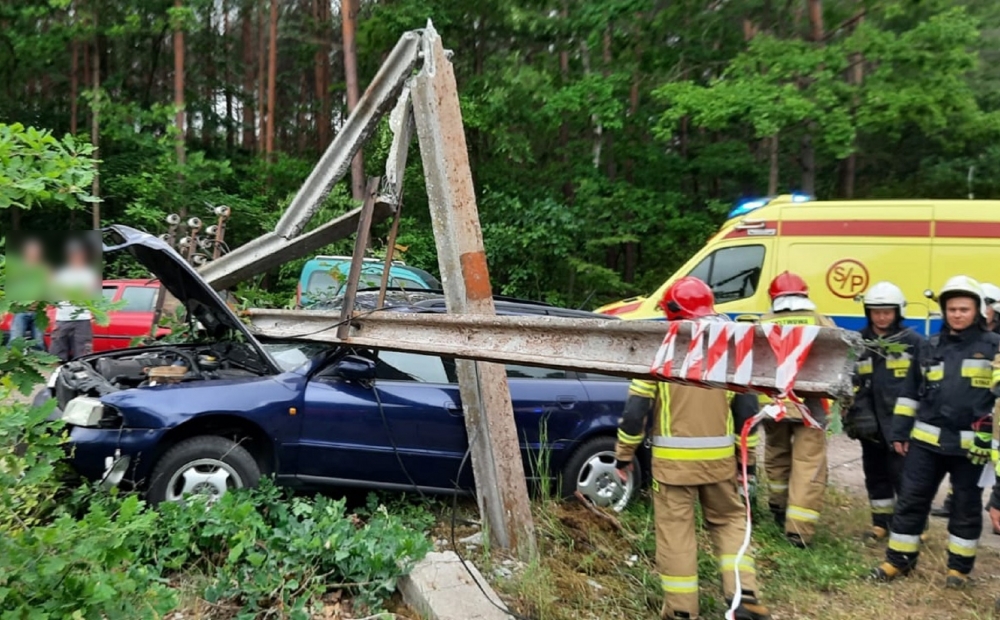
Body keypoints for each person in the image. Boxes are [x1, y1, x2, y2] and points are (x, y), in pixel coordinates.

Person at [614, 276, 769, 620]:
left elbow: (634, 414)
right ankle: (745, 597)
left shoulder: (660, 354)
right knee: (729, 523)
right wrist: (750, 464)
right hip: (720, 466)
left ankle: (683, 610)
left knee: (676, 534)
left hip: (673, 469)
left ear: (672, 313)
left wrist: (624, 456)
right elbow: (747, 414)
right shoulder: (729, 354)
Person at [872, 276, 1000, 587]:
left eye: (964, 309)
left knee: (966, 507)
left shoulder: (995, 347)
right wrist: (900, 433)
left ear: (979, 312)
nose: (957, 314)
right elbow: (909, 393)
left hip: (971, 448)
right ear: (944, 311)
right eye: (952, 309)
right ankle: (898, 561)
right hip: (926, 444)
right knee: (912, 501)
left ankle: (959, 570)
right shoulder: (929, 346)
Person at [843, 282, 926, 543]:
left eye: (887, 312)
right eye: (876, 312)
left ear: (898, 312)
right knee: (876, 475)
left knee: (904, 477)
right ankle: (881, 524)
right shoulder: (859, 341)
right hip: (871, 424)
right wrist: (852, 413)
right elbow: (849, 381)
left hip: (901, 426)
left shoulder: (913, 343)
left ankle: (916, 525)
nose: (881, 317)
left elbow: (924, 385)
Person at [759, 271, 835, 548]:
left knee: (777, 454)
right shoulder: (820, 321)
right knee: (808, 464)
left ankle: (778, 508)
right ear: (805, 294)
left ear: (773, 297)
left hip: (775, 402)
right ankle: (798, 531)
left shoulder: (764, 322)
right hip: (810, 404)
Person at [50, 239, 100, 362]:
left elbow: (92, 295)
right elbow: (54, 296)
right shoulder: (60, 274)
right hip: (62, 318)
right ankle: (58, 377)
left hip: (82, 319)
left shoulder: (89, 274)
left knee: (83, 353)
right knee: (57, 354)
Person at [9, 237, 49, 350]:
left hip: (38, 311)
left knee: (38, 342)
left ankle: (37, 364)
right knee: (15, 340)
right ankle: (12, 363)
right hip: (21, 310)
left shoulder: (44, 269)